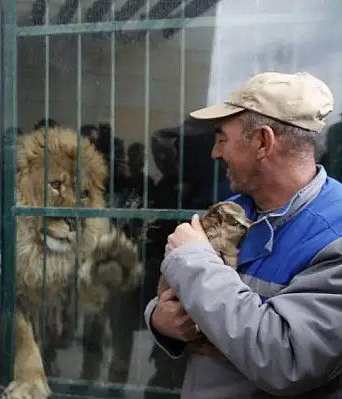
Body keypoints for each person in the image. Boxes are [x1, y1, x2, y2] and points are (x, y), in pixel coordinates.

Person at [144, 71, 342, 398]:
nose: (214, 153)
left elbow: (286, 358)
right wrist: (158, 318)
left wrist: (192, 260)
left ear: (263, 142)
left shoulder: (334, 237)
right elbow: (189, 296)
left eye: (222, 138)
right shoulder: (232, 211)